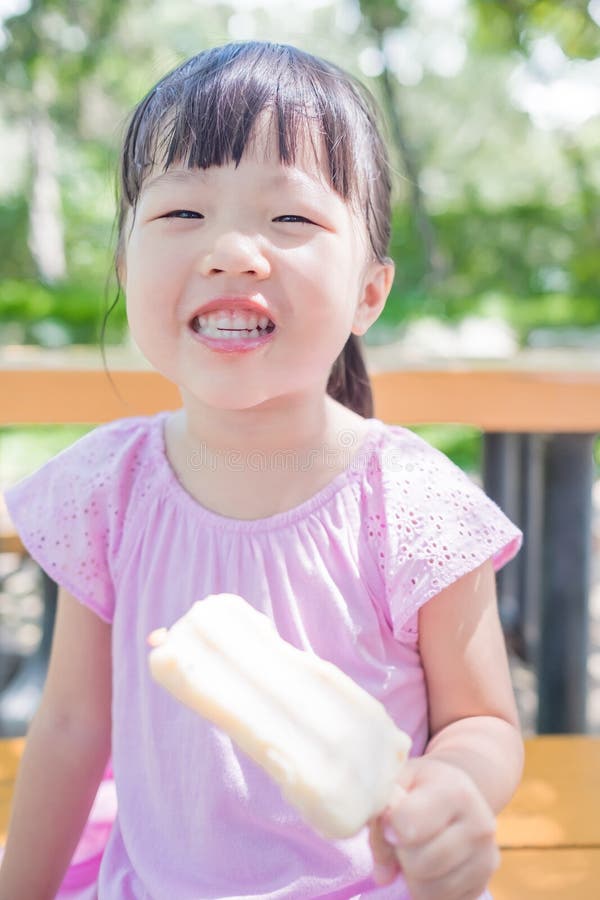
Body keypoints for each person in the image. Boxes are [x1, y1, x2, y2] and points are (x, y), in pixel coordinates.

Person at [0, 41, 523, 900]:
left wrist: (457, 789)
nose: (233, 251)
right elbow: (69, 725)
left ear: (369, 292)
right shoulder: (108, 491)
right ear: (126, 268)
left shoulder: (412, 501)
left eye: (290, 220)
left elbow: (480, 718)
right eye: (181, 215)